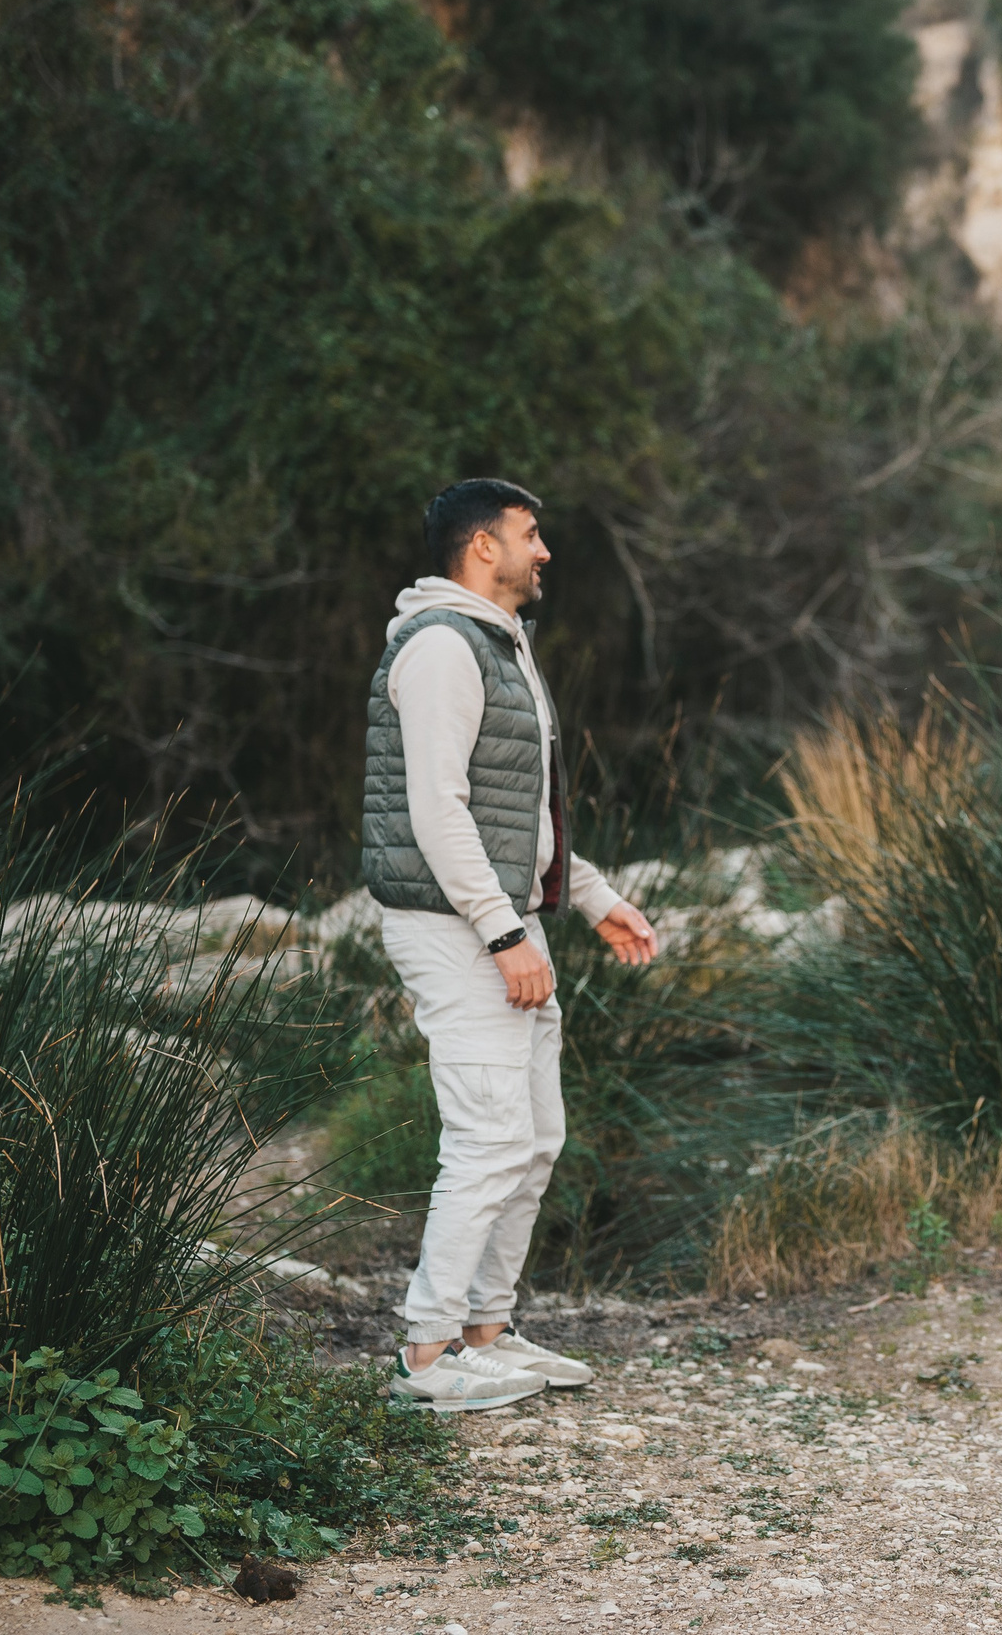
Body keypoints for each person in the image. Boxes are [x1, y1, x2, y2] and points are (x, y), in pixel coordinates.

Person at [363, 478, 662, 1412]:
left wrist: (592, 896)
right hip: (455, 927)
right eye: (530, 535)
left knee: (533, 1140)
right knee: (488, 1139)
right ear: (482, 546)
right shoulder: (442, 648)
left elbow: (516, 815)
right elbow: (437, 811)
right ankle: (425, 1356)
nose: (544, 552)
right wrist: (502, 932)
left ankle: (487, 1333)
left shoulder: (501, 644)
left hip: (504, 919)